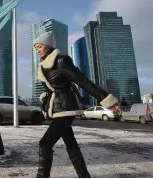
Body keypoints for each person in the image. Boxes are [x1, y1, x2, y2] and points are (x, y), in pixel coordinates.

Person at [34, 31, 121, 178]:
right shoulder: (43, 66)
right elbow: (52, 87)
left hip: (66, 108)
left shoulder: (61, 61)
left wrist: (106, 99)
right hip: (57, 108)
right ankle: (84, 176)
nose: (38, 49)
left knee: (45, 144)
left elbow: (83, 81)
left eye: (40, 46)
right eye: (36, 47)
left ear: (48, 46)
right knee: (71, 144)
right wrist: (46, 97)